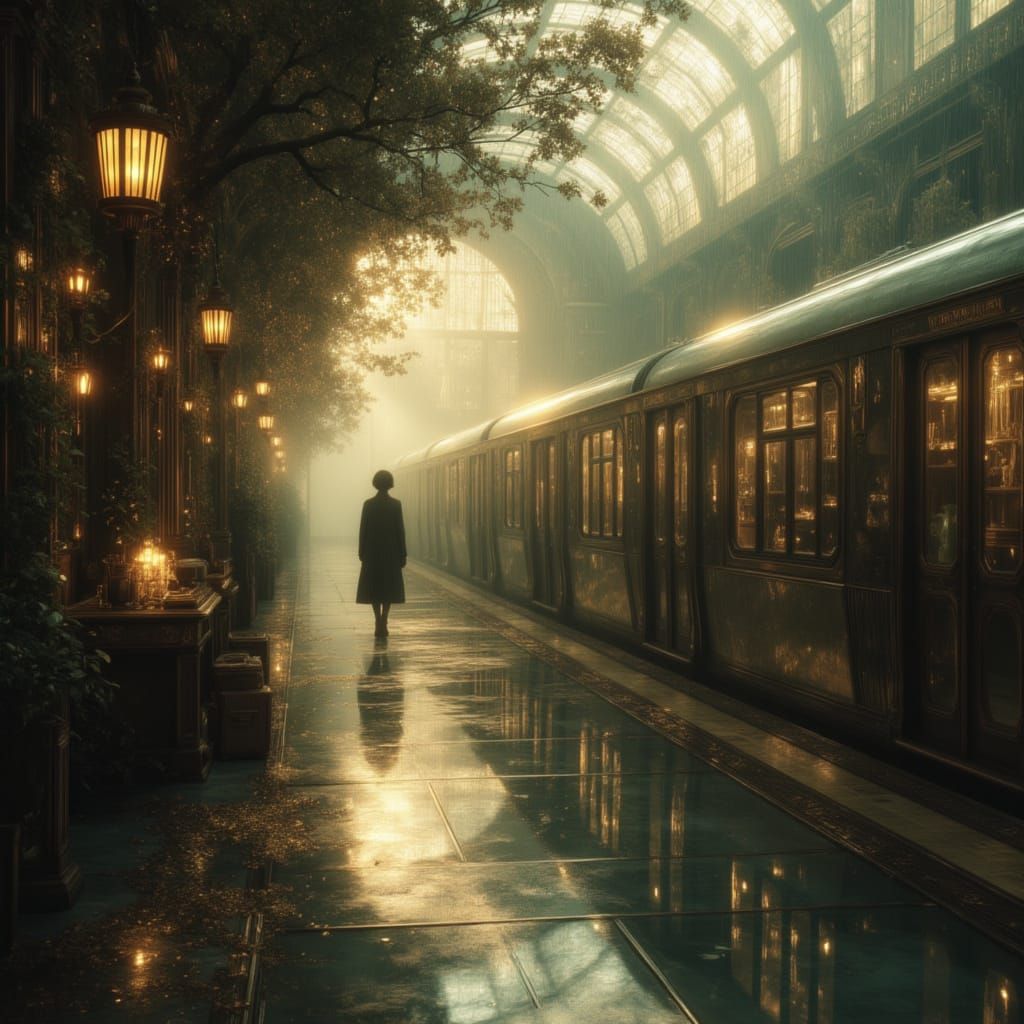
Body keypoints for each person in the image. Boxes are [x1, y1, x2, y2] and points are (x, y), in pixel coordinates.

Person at [356, 469, 407, 637]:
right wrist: (403, 553)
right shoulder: (396, 504)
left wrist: (361, 551)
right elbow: (400, 531)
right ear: (390, 484)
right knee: (388, 588)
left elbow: (363, 529)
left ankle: (377, 618)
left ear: (375, 483)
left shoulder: (368, 504)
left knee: (374, 587)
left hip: (372, 551)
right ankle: (385, 618)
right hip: (391, 552)